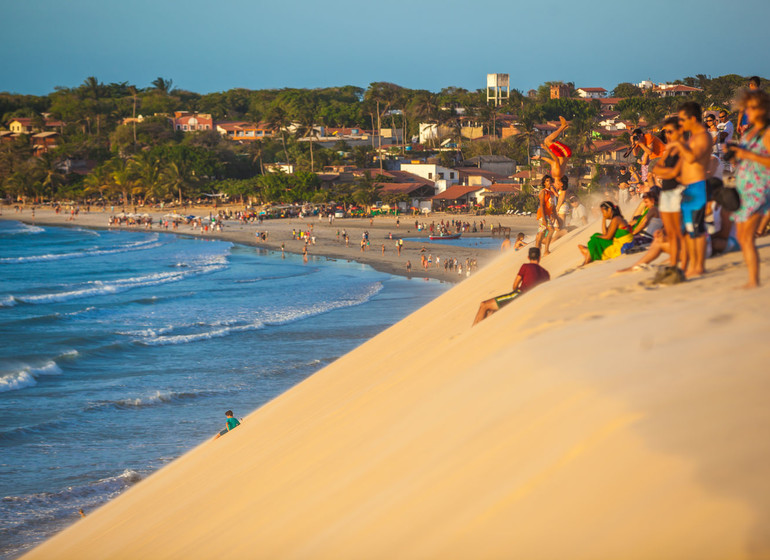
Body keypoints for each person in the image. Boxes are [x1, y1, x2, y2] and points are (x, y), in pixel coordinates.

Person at [728, 88, 770, 288]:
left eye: (754, 108)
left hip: (759, 189)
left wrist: (748, 156)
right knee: (743, 237)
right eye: (747, 108)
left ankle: (754, 280)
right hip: (744, 187)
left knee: (747, 236)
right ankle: (752, 278)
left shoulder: (767, 132)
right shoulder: (750, 131)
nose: (749, 112)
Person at [668, 101, 713, 278]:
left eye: (683, 120)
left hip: (698, 187)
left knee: (696, 229)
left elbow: (693, 158)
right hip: (688, 188)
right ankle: (693, 264)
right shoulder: (692, 137)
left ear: (693, 118)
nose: (681, 123)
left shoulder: (703, 136)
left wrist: (679, 145)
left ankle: (699, 265)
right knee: (687, 230)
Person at [472, 247, 550, 325]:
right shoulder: (546, 273)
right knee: (492, 311)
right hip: (534, 299)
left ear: (528, 257)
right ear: (539, 257)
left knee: (484, 305)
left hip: (520, 294)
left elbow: (515, 285)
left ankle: (473, 332)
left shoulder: (526, 266)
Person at [578, 201, 633, 265]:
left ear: (609, 210)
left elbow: (608, 237)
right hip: (618, 243)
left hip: (622, 245)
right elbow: (605, 233)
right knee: (596, 235)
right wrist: (604, 219)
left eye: (603, 212)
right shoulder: (615, 220)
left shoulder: (616, 219)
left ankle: (586, 261)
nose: (603, 214)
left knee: (594, 239)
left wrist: (596, 238)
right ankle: (590, 252)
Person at [535, 175, 558, 255]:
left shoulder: (551, 193)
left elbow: (552, 206)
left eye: (550, 181)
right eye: (547, 181)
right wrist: (544, 218)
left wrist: (555, 216)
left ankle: (537, 249)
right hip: (542, 215)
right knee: (551, 230)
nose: (549, 182)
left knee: (541, 233)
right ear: (544, 183)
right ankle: (546, 251)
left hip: (547, 215)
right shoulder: (543, 192)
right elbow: (542, 205)